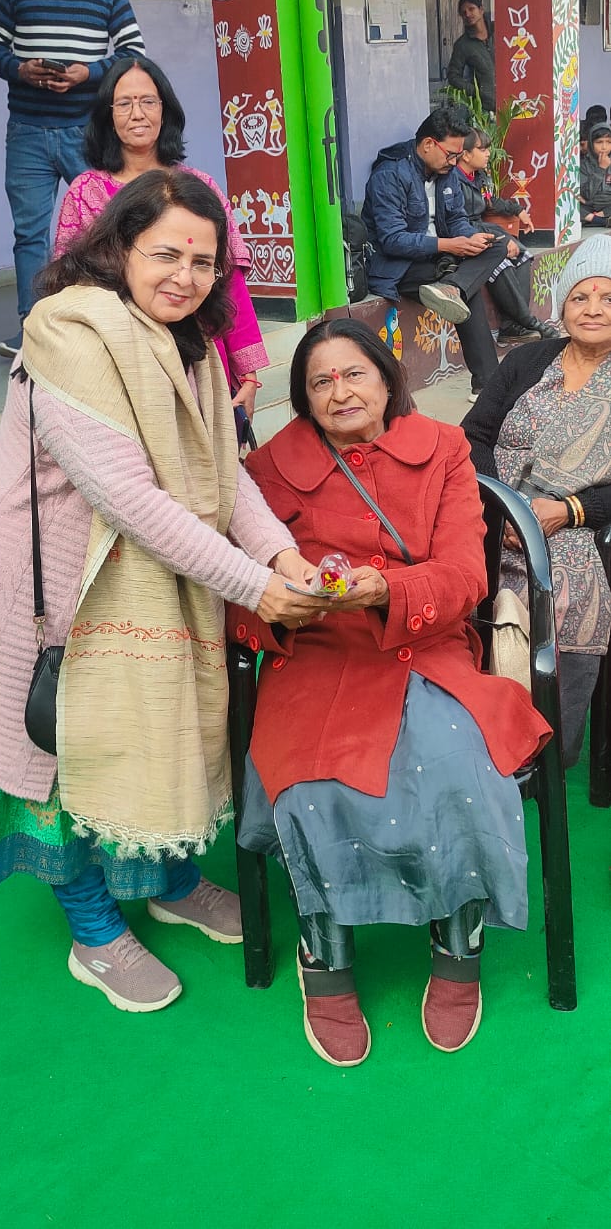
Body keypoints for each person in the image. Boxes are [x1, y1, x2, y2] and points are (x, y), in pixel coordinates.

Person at [0, 172, 325, 1015]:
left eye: (204, 262)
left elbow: (223, 475)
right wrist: (256, 585)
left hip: (137, 579)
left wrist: (281, 554)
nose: (186, 275)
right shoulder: (69, 333)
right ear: (118, 246)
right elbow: (134, 501)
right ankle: (93, 927)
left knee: (153, 729)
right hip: (40, 585)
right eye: (166, 253)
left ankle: (169, 881)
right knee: (60, 757)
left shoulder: (190, 343)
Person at [228, 318, 550, 1066]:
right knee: (311, 778)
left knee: (460, 763)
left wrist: (386, 590)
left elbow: (466, 574)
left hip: (425, 644)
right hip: (317, 654)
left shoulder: (443, 448)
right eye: (320, 381)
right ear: (303, 397)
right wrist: (284, 606)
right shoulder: (269, 468)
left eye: (354, 374)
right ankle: (325, 951)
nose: (339, 392)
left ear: (386, 377)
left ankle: (457, 938)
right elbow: (236, 588)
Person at [463, 237, 611, 767]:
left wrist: (568, 511)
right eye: (580, 297)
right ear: (562, 306)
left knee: (565, 588)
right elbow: (473, 435)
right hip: (497, 510)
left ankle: (547, 743)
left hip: (575, 525)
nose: (592, 309)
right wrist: (504, 504)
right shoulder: (527, 360)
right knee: (457, 578)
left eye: (608, 298)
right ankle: (480, 731)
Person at [54, 55, 268, 420]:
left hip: (201, 356)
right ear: (108, 116)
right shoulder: (85, 193)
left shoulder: (198, 187)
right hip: (123, 364)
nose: (137, 113)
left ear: (165, 110)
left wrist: (247, 373)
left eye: (148, 101)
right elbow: (71, 291)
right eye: (124, 103)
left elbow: (228, 281)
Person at [0, 0, 144, 358]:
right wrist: (21, 69)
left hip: (86, 131)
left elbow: (133, 53)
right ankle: (33, 328)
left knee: (108, 222)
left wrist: (87, 74)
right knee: (30, 235)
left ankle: (118, 316)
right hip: (27, 131)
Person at [363, 106, 511, 399]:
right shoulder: (390, 175)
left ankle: (452, 288)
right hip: (399, 267)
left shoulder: (446, 172)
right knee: (467, 290)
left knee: (496, 243)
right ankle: (487, 384)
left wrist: (470, 238)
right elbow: (392, 240)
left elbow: (456, 219)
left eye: (458, 156)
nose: (454, 162)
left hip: (440, 260)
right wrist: (449, 245)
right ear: (429, 144)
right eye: (451, 155)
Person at [457, 129, 554, 343]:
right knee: (500, 262)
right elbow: (457, 223)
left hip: (482, 228)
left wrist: (517, 210)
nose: (488, 153)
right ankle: (529, 321)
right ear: (465, 154)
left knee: (523, 255)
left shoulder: (479, 176)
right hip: (464, 235)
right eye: (482, 149)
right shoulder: (452, 180)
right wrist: (500, 238)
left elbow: (490, 201)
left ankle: (512, 326)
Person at [445, 0, 496, 112]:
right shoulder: (462, 45)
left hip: (512, 101)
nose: (467, 14)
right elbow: (453, 76)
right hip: (485, 108)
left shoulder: (501, 30)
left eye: (471, 9)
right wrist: (476, 92)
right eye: (463, 13)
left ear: (481, 10)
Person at [579, 121, 611, 227]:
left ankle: (596, 219)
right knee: (570, 205)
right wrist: (601, 169)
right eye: (599, 142)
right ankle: (602, 221)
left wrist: (605, 212)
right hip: (589, 208)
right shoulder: (584, 165)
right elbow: (586, 195)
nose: (604, 147)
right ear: (591, 144)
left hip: (608, 207)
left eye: (609, 142)